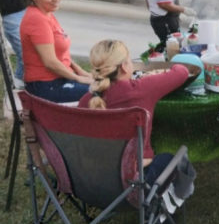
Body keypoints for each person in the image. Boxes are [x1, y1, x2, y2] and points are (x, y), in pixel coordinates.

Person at [79, 40, 195, 193]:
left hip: (95, 184)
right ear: (124, 66)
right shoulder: (141, 89)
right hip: (136, 182)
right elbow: (182, 72)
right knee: (175, 160)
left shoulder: (86, 101)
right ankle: (159, 211)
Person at [19, 0, 92, 102]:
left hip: (60, 79)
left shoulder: (47, 13)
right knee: (103, 93)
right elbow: (50, 62)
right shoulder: (37, 19)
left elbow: (60, 54)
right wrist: (77, 78)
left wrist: (81, 71)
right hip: (45, 86)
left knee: (109, 87)